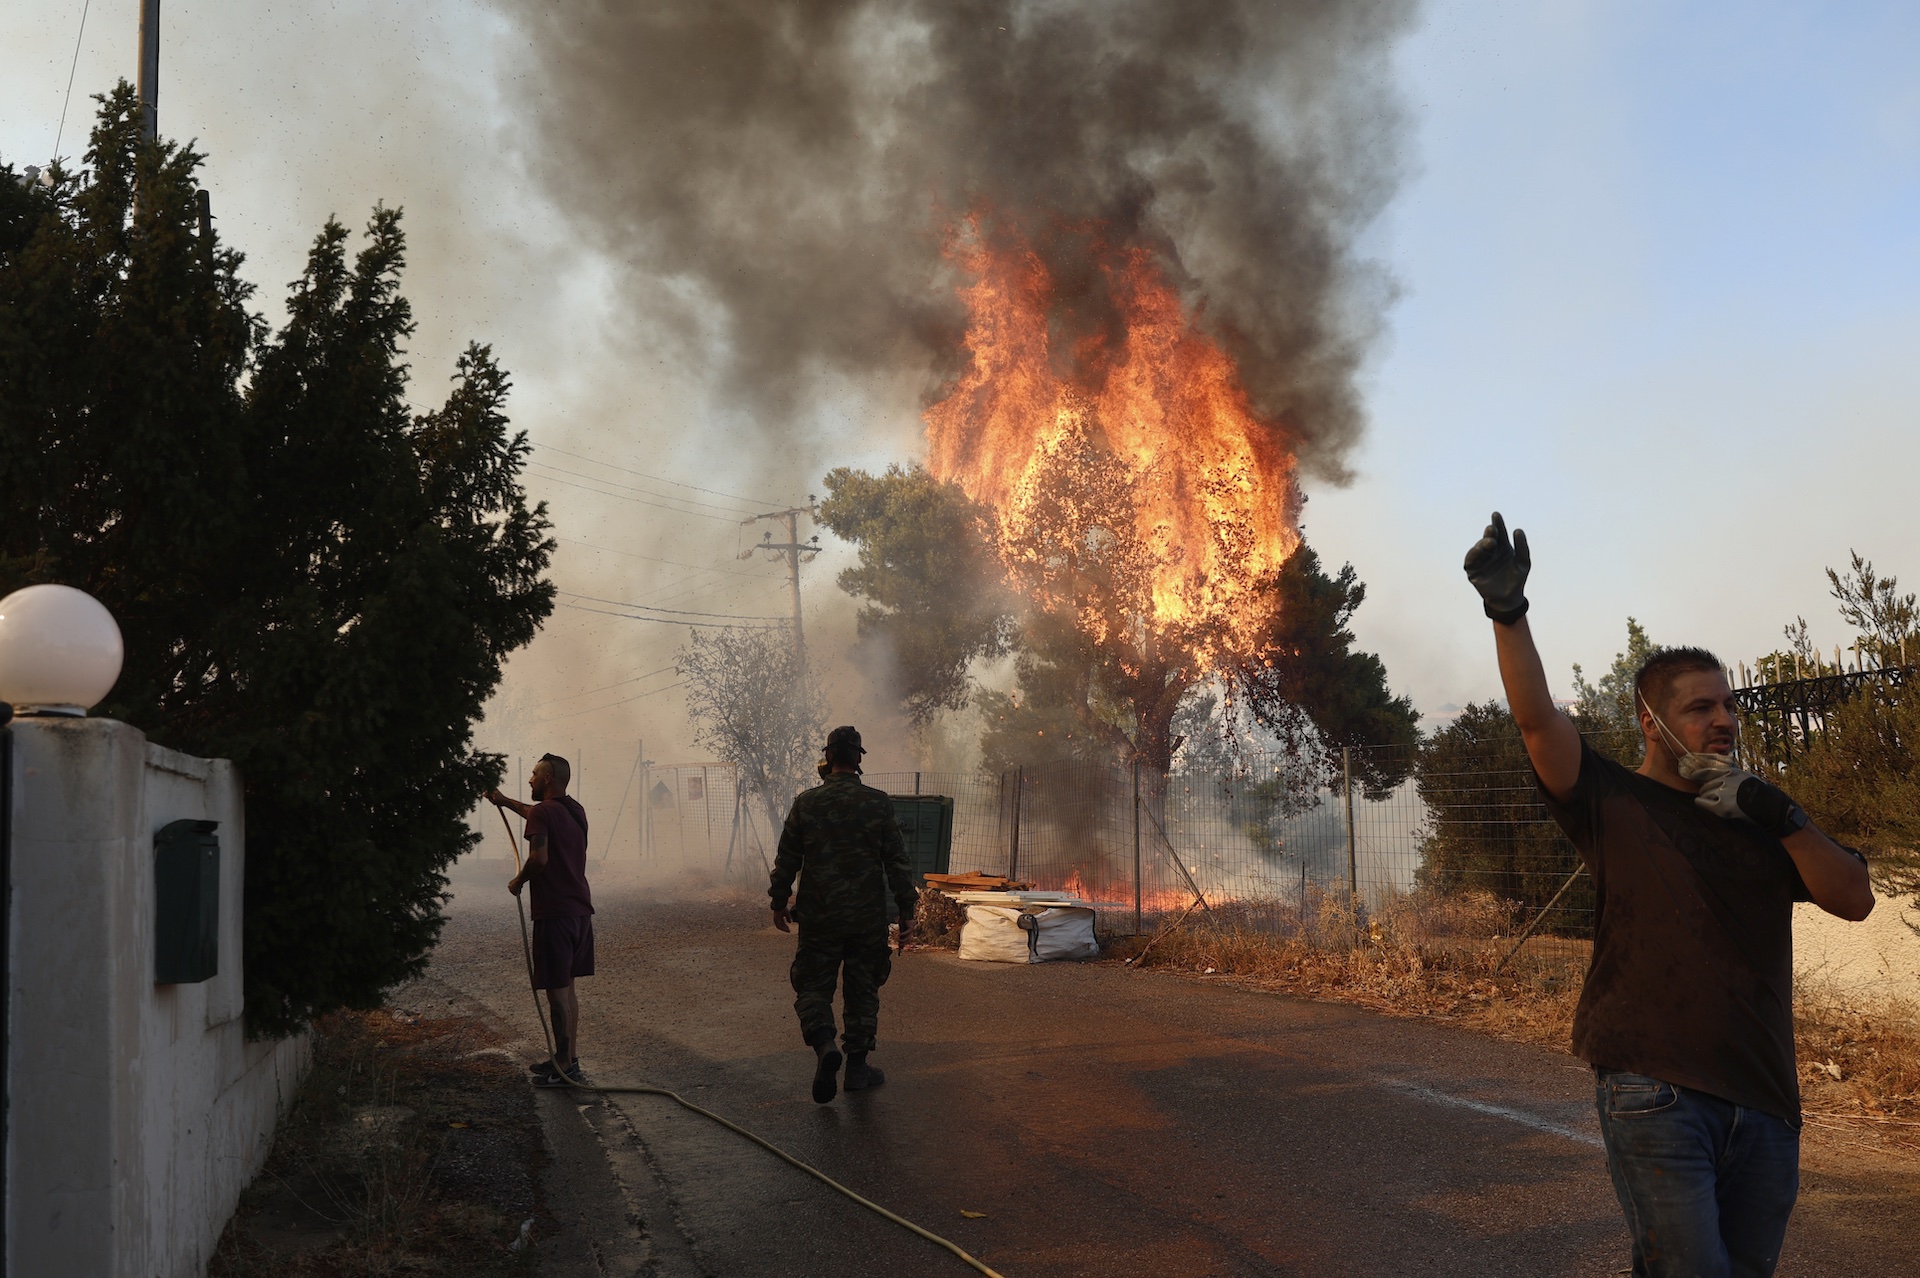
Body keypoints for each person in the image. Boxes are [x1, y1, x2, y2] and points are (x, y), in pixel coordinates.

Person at [1464, 512, 1874, 1278]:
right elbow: (1537, 721)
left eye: (1729, 706)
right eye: (1700, 708)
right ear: (1650, 723)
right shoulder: (1613, 800)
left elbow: (1854, 898)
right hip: (1656, 1090)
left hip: (1767, 1104)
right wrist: (1508, 612)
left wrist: (1781, 815)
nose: (1724, 721)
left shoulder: (1762, 819)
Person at [769, 725, 917, 1104]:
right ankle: (857, 1069)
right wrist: (907, 911)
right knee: (863, 988)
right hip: (866, 918)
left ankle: (825, 1047)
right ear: (858, 759)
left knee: (812, 986)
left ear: (829, 757)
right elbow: (898, 862)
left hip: (819, 916)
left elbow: (787, 858)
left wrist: (779, 901)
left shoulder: (807, 803)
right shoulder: (878, 804)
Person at [487, 753, 594, 1088]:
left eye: (534, 774)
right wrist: (504, 801)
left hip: (554, 914)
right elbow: (534, 812)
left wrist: (519, 880)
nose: (530, 779)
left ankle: (563, 1068)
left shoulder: (543, 813)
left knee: (556, 993)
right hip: (579, 912)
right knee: (568, 989)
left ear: (548, 778)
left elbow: (539, 858)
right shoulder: (575, 810)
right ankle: (568, 1059)